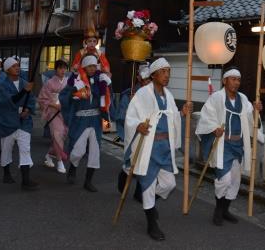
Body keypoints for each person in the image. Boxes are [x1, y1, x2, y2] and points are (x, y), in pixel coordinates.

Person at [124, 57, 192, 241]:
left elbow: (172, 119)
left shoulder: (168, 96)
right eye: (163, 72)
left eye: (168, 72)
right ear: (153, 75)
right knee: (148, 186)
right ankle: (151, 223)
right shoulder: (143, 94)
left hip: (164, 147)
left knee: (169, 184)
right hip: (147, 146)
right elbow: (131, 117)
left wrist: (181, 113)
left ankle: (151, 206)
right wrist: (138, 125)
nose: (167, 75)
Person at [195, 68, 263, 226]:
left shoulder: (243, 99)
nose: (236, 82)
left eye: (238, 80)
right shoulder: (216, 98)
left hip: (238, 144)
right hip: (222, 144)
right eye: (233, 79)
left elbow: (253, 123)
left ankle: (225, 210)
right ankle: (218, 210)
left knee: (235, 180)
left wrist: (255, 112)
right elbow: (206, 117)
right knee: (224, 180)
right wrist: (214, 128)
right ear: (225, 81)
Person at [60, 55, 110, 192]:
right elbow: (64, 97)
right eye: (90, 66)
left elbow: (106, 102)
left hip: (95, 121)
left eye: (95, 66)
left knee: (95, 152)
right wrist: (74, 92)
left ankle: (88, 181)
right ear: (84, 67)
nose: (93, 68)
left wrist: (106, 123)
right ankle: (73, 167)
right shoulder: (76, 81)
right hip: (80, 121)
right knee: (77, 151)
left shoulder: (101, 81)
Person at [0, 57, 38, 191]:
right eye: (13, 66)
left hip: (24, 122)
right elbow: (7, 101)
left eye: (18, 65)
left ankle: (25, 180)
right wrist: (25, 90)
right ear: (7, 70)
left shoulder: (25, 82)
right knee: (6, 149)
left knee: (25, 149)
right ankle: (6, 173)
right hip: (7, 122)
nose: (17, 68)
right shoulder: (2, 86)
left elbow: (31, 100)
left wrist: (28, 110)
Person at [116, 63, 151, 201]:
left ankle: (139, 192)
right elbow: (122, 116)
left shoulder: (154, 94)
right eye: (145, 79)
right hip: (134, 133)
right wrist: (131, 105)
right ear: (138, 78)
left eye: (150, 79)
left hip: (148, 133)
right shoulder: (129, 94)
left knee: (145, 164)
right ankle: (123, 176)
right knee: (131, 163)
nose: (147, 82)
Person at [38, 59, 69, 173]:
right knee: (57, 134)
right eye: (60, 68)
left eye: (64, 68)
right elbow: (41, 99)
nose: (63, 70)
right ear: (56, 69)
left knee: (62, 136)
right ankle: (60, 162)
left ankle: (49, 155)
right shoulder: (50, 82)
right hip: (53, 111)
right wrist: (54, 105)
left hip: (64, 112)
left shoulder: (68, 82)